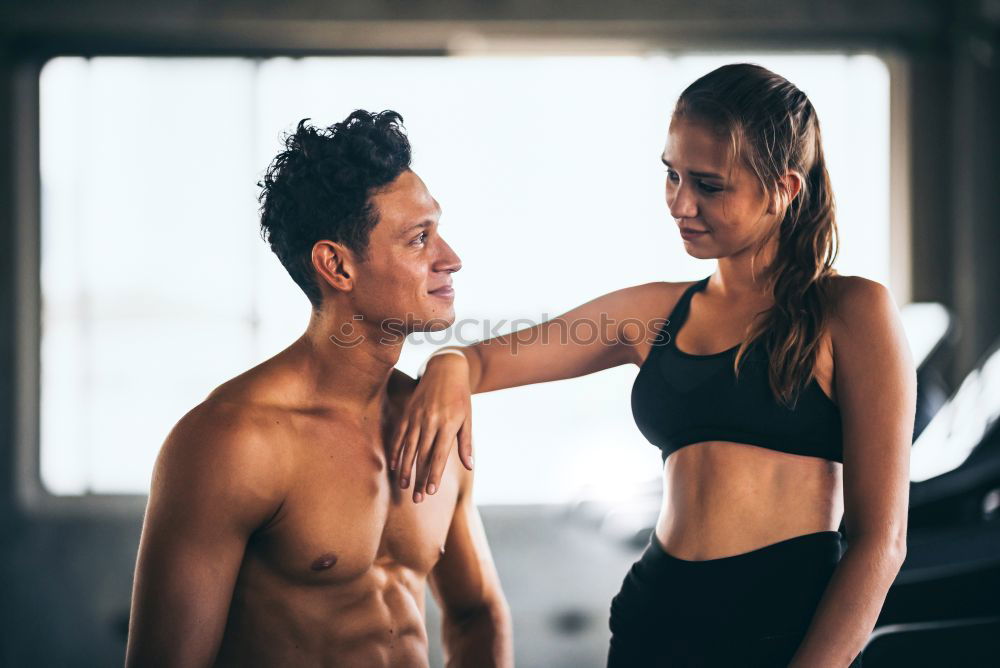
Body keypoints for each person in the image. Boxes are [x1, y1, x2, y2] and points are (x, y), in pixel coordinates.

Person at [391, 64, 915, 667]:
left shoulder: (852, 312)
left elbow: (880, 543)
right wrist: (448, 367)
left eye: (709, 185)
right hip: (653, 621)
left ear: (785, 187)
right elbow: (482, 358)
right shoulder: (655, 312)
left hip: (778, 632)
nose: (681, 203)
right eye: (671, 174)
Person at [125, 110, 513, 668]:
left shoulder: (433, 417)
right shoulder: (232, 440)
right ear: (336, 265)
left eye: (438, 230)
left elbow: (478, 616)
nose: (450, 259)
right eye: (418, 239)